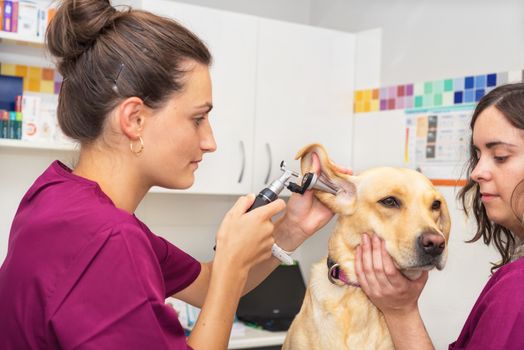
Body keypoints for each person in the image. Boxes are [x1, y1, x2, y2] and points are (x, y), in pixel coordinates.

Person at [0, 0, 351, 349]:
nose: (210, 142)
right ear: (134, 119)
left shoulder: (55, 194)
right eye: (198, 118)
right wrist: (231, 262)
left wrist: (293, 227)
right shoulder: (109, 239)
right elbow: (224, 281)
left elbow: (210, 283)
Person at [354, 82, 524, 350]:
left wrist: (401, 311)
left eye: (500, 156)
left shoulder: (518, 288)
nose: (477, 172)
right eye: (478, 156)